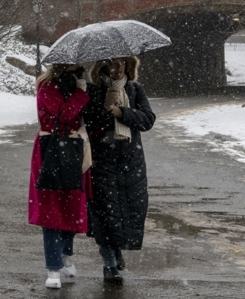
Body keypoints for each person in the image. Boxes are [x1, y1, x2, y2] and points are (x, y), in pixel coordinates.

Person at [82, 57, 156, 285]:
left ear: (128, 65)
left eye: (122, 64)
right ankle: (109, 265)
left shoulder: (135, 89)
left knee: (130, 208)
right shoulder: (94, 90)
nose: (117, 68)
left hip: (131, 161)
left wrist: (123, 113)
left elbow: (148, 120)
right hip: (102, 160)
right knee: (104, 213)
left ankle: (117, 247)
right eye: (112, 64)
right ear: (103, 67)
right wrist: (105, 110)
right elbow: (88, 122)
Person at [28, 63, 91, 289]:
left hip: (73, 149)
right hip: (51, 150)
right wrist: (80, 93)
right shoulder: (47, 87)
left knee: (72, 207)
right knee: (52, 210)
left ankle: (65, 256)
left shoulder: (76, 86)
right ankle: (53, 267)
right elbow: (64, 114)